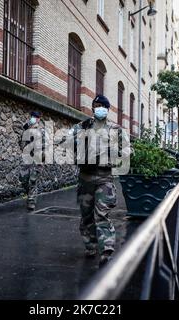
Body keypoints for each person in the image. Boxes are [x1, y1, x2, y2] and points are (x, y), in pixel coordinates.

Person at [63, 95, 126, 267]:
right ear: (92, 108)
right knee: (86, 216)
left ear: (107, 109)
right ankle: (90, 246)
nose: (98, 108)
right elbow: (65, 141)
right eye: (96, 105)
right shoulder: (82, 126)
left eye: (102, 106)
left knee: (102, 215)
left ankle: (106, 249)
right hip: (85, 178)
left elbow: (126, 151)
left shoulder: (115, 129)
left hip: (104, 178)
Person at [19, 111, 45, 211]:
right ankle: (31, 193)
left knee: (32, 180)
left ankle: (31, 201)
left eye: (35, 117)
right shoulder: (27, 127)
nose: (32, 118)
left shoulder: (41, 130)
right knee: (22, 178)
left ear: (38, 119)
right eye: (32, 116)